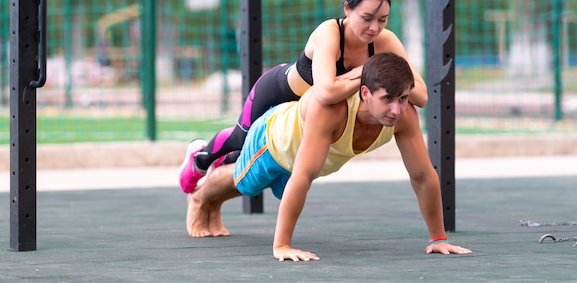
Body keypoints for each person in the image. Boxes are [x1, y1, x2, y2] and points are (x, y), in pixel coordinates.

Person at [185, 52, 472, 261]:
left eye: (403, 99)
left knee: (269, 187)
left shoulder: (403, 117)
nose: (396, 109)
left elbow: (422, 177)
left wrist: (438, 238)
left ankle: (214, 204)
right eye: (387, 99)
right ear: (364, 93)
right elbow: (303, 175)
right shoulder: (333, 111)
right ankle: (198, 197)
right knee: (244, 181)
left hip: (304, 160)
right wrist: (282, 245)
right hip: (273, 141)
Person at [179, 0, 428, 193]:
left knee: (245, 158)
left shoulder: (385, 41)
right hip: (277, 91)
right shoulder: (328, 33)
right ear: (347, 9)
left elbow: (421, 95)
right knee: (240, 139)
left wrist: (388, 80)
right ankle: (200, 157)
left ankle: (217, 171)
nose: (375, 28)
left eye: (382, 20)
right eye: (367, 18)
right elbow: (327, 92)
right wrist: (367, 71)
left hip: (300, 112)